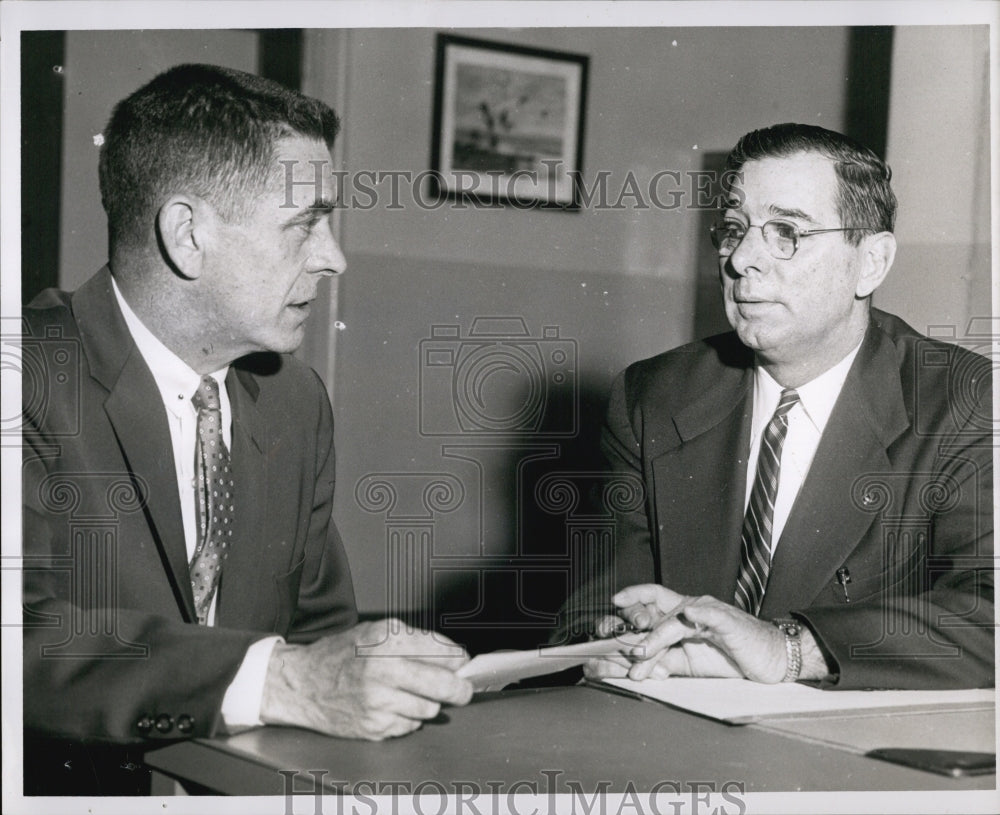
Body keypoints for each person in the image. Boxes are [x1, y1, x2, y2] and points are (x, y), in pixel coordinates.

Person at [21, 63, 472, 795]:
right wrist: (279, 680)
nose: (334, 257)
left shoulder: (292, 402)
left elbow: (323, 638)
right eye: (305, 223)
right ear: (187, 235)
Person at [579, 123, 993, 690]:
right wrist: (621, 633)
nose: (743, 258)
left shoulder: (964, 402)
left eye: (786, 231)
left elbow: (989, 614)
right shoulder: (652, 395)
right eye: (734, 229)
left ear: (870, 262)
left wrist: (790, 649)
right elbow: (592, 603)